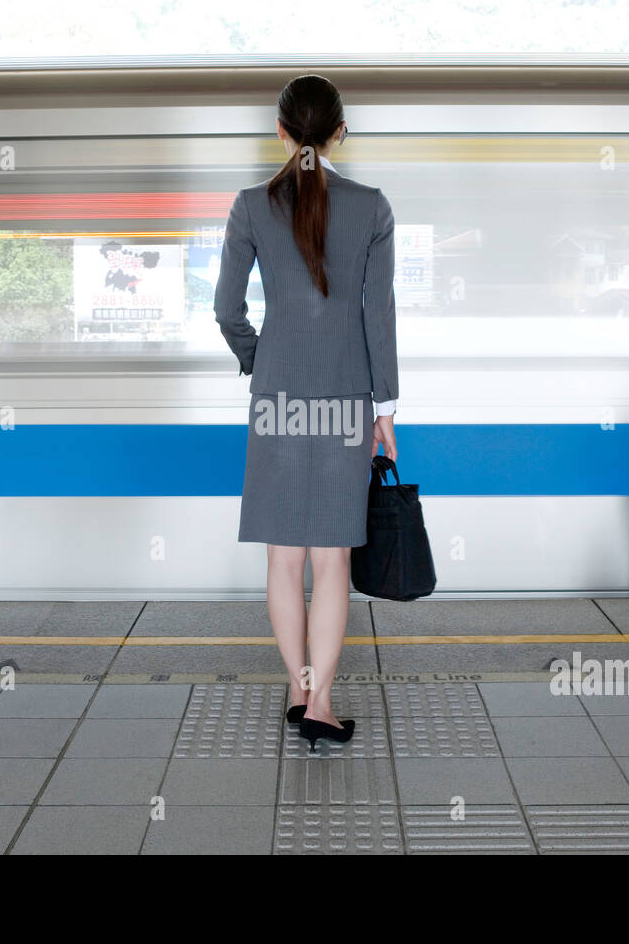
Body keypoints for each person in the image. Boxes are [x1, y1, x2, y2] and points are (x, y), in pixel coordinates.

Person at [213, 74, 399, 753]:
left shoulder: (250, 207)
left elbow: (227, 311)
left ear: (283, 133)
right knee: (333, 563)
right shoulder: (372, 208)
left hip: (278, 404)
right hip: (348, 402)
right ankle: (320, 701)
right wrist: (385, 408)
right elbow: (376, 317)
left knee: (283, 562)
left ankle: (298, 688)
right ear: (341, 132)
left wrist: (261, 362)